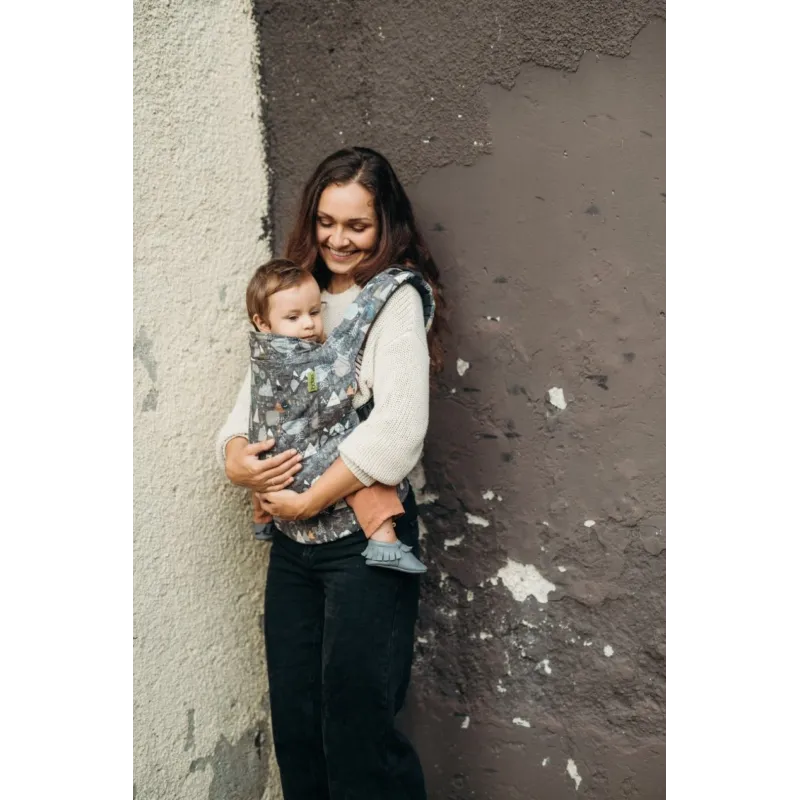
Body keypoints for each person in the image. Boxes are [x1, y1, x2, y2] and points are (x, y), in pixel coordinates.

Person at [216, 146, 445, 800]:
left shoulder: (393, 300)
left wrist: (308, 498)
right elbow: (253, 401)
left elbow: (397, 432)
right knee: (297, 724)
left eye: (357, 226)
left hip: (361, 546)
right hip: (293, 547)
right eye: (326, 222)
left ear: (385, 225)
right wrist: (236, 458)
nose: (338, 240)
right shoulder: (296, 295)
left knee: (358, 733)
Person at [244, 256, 428, 574]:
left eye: (315, 313)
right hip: (293, 467)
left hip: (286, 478)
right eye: (294, 317)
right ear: (262, 324)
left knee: (351, 462)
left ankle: (262, 519)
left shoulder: (267, 351)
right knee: (355, 461)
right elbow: (324, 390)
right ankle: (384, 542)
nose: (308, 324)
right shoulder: (285, 358)